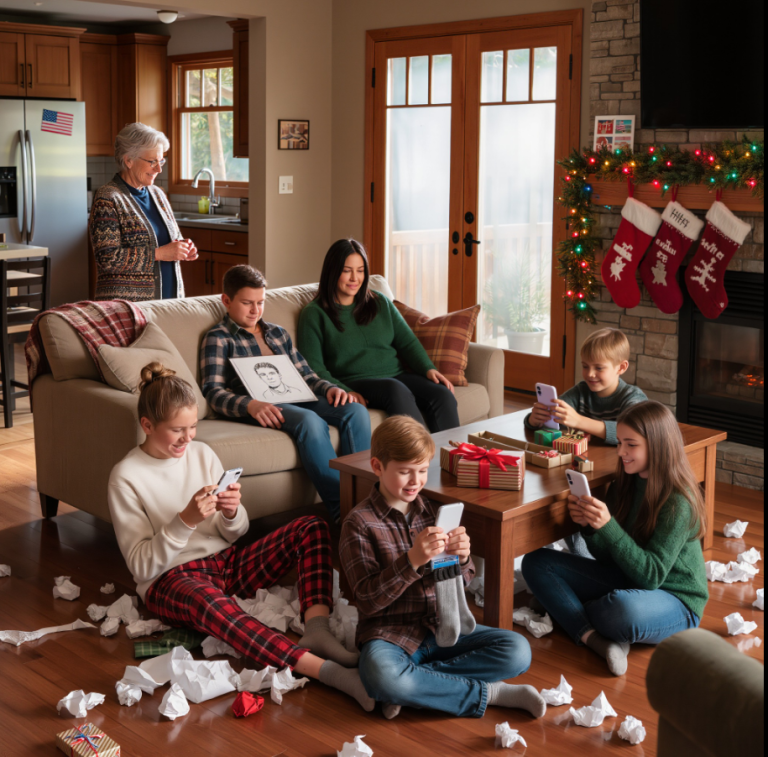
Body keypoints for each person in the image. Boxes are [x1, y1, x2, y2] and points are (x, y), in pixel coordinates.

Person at [107, 362, 375, 711]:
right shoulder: (126, 476)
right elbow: (142, 567)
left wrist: (232, 512)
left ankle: (318, 629)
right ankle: (329, 672)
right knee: (214, 606)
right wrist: (184, 521)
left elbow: (236, 533)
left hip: (224, 563)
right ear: (147, 425)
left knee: (311, 526)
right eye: (177, 430)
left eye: (192, 427)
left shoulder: (200, 453)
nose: (188, 438)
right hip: (170, 580)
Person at [340, 415, 546, 720]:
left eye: (422, 471)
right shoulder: (358, 524)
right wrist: (411, 561)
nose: (415, 481)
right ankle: (493, 693)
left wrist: (463, 559)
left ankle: (412, 685)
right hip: (388, 635)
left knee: (517, 650)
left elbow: (460, 584)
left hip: (443, 629)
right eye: (405, 472)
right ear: (377, 467)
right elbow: (368, 601)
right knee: (382, 674)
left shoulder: (432, 512)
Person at [521, 401, 708, 677]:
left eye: (630, 444)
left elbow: (651, 576)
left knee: (621, 610)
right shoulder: (625, 483)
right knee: (535, 563)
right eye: (620, 442)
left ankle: (567, 608)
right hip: (626, 578)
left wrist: (608, 526)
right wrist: (589, 527)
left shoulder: (678, 502)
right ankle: (594, 639)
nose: (621, 452)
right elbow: (609, 558)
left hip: (675, 599)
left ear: (657, 445)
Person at [199, 264, 370, 522]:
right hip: (259, 406)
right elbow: (212, 391)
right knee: (310, 422)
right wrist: (250, 405)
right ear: (226, 301)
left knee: (355, 410)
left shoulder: (277, 333)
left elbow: (307, 375)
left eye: (261, 302)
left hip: (297, 396)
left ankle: (367, 503)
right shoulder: (219, 338)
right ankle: (344, 512)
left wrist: (332, 389)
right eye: (247, 303)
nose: (256, 310)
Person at [297, 238, 459, 433]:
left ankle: (453, 459)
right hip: (354, 380)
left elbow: (406, 341)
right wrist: (346, 390)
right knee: (395, 389)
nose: (354, 278)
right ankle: (419, 458)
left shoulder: (379, 302)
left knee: (442, 394)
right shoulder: (314, 314)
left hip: (395, 375)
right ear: (332, 271)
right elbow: (314, 368)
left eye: (360, 270)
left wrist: (427, 368)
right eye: (347, 270)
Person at [90, 122, 198, 301]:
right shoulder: (108, 198)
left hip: (169, 302)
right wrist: (161, 253)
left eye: (161, 160)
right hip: (127, 308)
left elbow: (171, 240)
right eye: (152, 161)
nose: (159, 169)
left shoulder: (158, 194)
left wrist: (184, 248)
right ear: (129, 160)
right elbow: (107, 259)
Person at [526, 328, 647, 445]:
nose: (590, 374)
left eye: (599, 368)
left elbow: (631, 432)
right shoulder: (581, 391)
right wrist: (534, 420)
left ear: (621, 367)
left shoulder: (634, 396)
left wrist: (578, 421)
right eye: (585, 366)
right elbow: (557, 418)